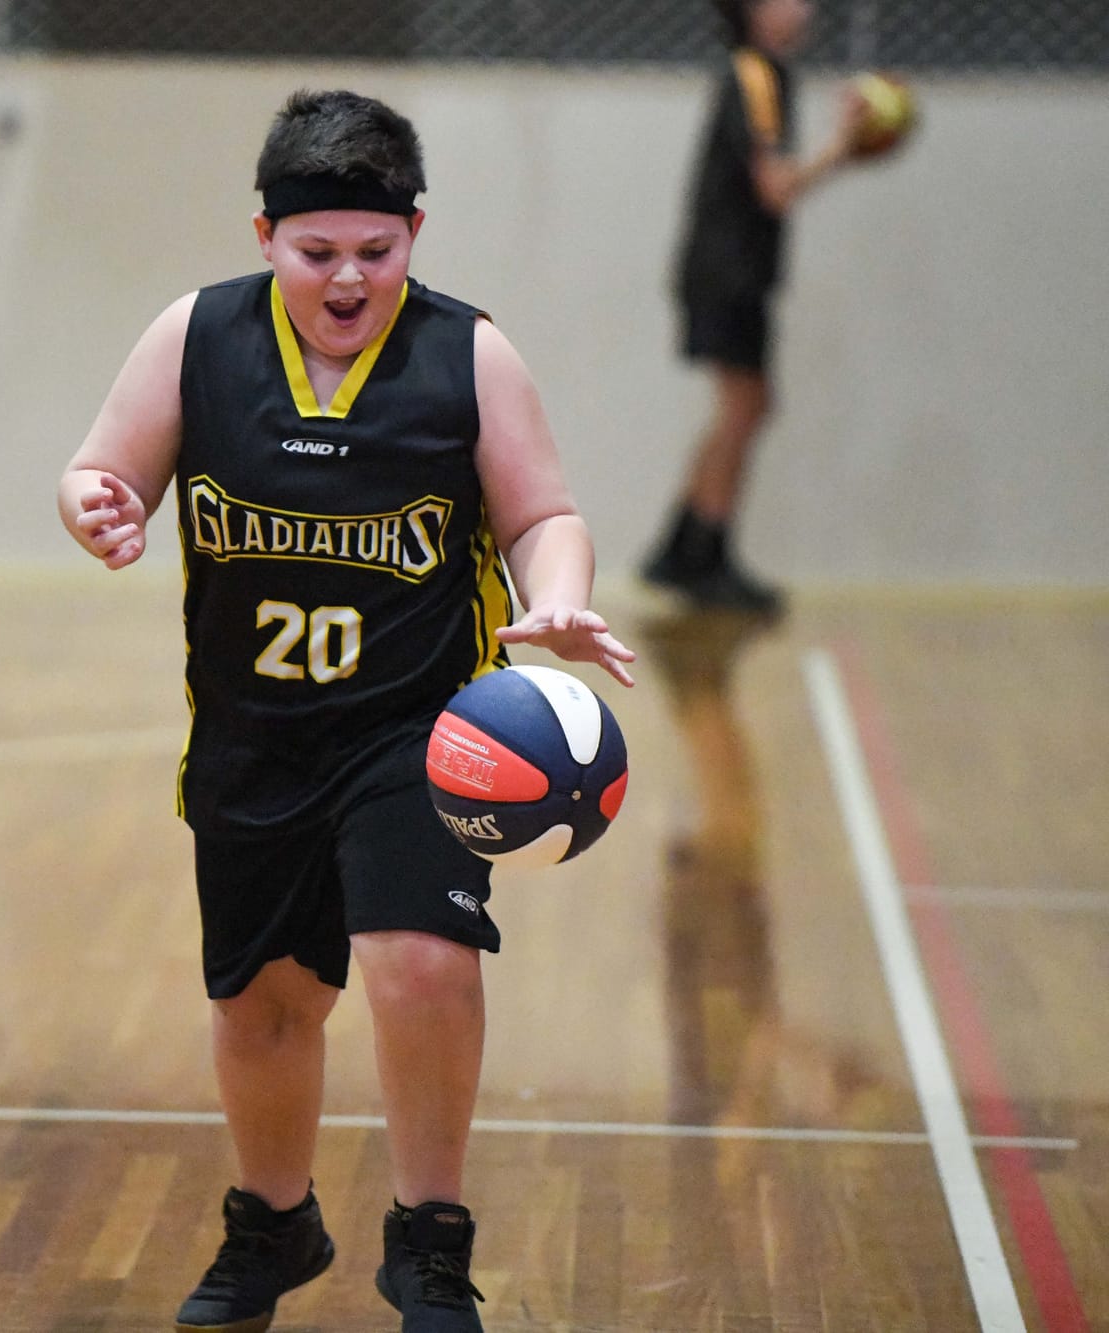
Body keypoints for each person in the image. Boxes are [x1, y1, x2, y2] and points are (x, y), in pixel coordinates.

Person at [58, 90, 636, 1333]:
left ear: (413, 234)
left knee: (420, 963)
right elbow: (103, 465)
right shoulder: (194, 336)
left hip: (419, 730)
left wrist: (560, 598)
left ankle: (429, 1242)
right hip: (251, 731)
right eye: (316, 252)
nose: (345, 280)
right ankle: (273, 1226)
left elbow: (544, 514)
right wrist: (96, 501)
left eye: (375, 253)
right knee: (264, 1002)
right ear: (263, 232)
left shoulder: (466, 354)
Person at [640, 0, 867, 613]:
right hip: (727, 274)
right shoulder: (756, 76)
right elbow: (777, 187)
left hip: (733, 272)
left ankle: (685, 546)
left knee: (746, 405)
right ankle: (702, 553)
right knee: (744, 405)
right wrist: (844, 147)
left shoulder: (766, 75)